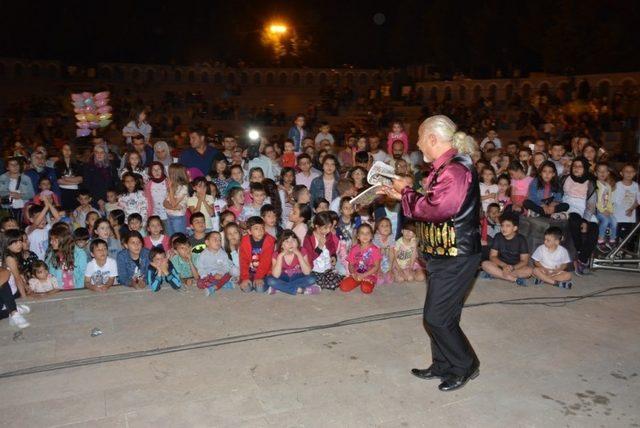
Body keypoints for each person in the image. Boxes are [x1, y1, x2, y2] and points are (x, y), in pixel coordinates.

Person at [382, 115, 481, 392]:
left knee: (436, 317)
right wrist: (401, 195)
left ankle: (465, 364)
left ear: (433, 139)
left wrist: (406, 193)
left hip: (456, 255)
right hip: (442, 253)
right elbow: (430, 202)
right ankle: (442, 364)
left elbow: (437, 209)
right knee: (444, 315)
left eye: (420, 138)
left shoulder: (455, 170)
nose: (417, 144)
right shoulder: (445, 168)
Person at [480, 213, 533, 285]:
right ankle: (514, 279)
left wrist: (512, 268)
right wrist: (504, 266)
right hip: (500, 266)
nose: (503, 228)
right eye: (502, 225)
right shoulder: (498, 236)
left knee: (529, 270)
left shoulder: (521, 239)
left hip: (515, 268)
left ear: (515, 228)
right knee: (485, 264)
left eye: (508, 226)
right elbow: (492, 256)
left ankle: (496, 275)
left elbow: (524, 261)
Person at [265, 230, 319, 295]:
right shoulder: (276, 254)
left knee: (312, 279)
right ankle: (301, 290)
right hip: (283, 277)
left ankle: (280, 288)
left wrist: (299, 254)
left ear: (297, 242)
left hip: (298, 276)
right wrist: (280, 256)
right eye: (287, 241)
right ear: (281, 244)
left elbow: (307, 272)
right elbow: (276, 275)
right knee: (270, 280)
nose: (291, 243)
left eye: (293, 240)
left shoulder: (302, 250)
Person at [339, 223, 381, 294]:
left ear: (371, 236)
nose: (365, 235)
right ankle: (358, 281)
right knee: (343, 287)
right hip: (356, 273)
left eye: (368, 233)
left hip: (369, 274)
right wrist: (353, 273)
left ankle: (365, 281)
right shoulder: (354, 249)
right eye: (362, 233)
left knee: (366, 289)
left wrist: (364, 275)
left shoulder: (375, 249)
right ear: (358, 236)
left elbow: (376, 267)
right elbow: (351, 264)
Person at [238, 216, 275, 292]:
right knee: (246, 289)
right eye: (256, 228)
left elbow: (266, 262)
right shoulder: (244, 241)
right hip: (250, 272)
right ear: (249, 231)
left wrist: (259, 277)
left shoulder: (269, 241)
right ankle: (251, 280)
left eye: (262, 228)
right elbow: (243, 261)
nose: (260, 231)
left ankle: (265, 284)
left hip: (265, 272)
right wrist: (245, 277)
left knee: (259, 289)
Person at [0, 157, 34, 224]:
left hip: (22, 207)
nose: (15, 166)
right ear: (7, 167)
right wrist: (8, 194)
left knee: (20, 227)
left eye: (16, 164)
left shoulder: (26, 178)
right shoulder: (2, 178)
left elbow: (31, 194)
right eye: (12, 165)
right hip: (7, 207)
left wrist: (20, 196)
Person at [54, 143, 83, 212]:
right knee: (65, 212)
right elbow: (59, 181)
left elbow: (81, 179)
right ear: (62, 151)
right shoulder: (57, 164)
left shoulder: (78, 163)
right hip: (63, 192)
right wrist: (75, 181)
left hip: (76, 192)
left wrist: (66, 179)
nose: (67, 151)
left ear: (72, 151)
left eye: (69, 149)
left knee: (76, 212)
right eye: (65, 149)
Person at [594, 162, 617, 251]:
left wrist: (610, 210)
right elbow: (596, 200)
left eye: (604, 171)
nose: (602, 173)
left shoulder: (608, 186)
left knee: (614, 221)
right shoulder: (595, 184)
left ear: (608, 173)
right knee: (606, 220)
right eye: (600, 171)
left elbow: (609, 200)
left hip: (606, 210)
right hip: (598, 210)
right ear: (596, 173)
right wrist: (602, 210)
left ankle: (612, 240)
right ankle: (600, 240)